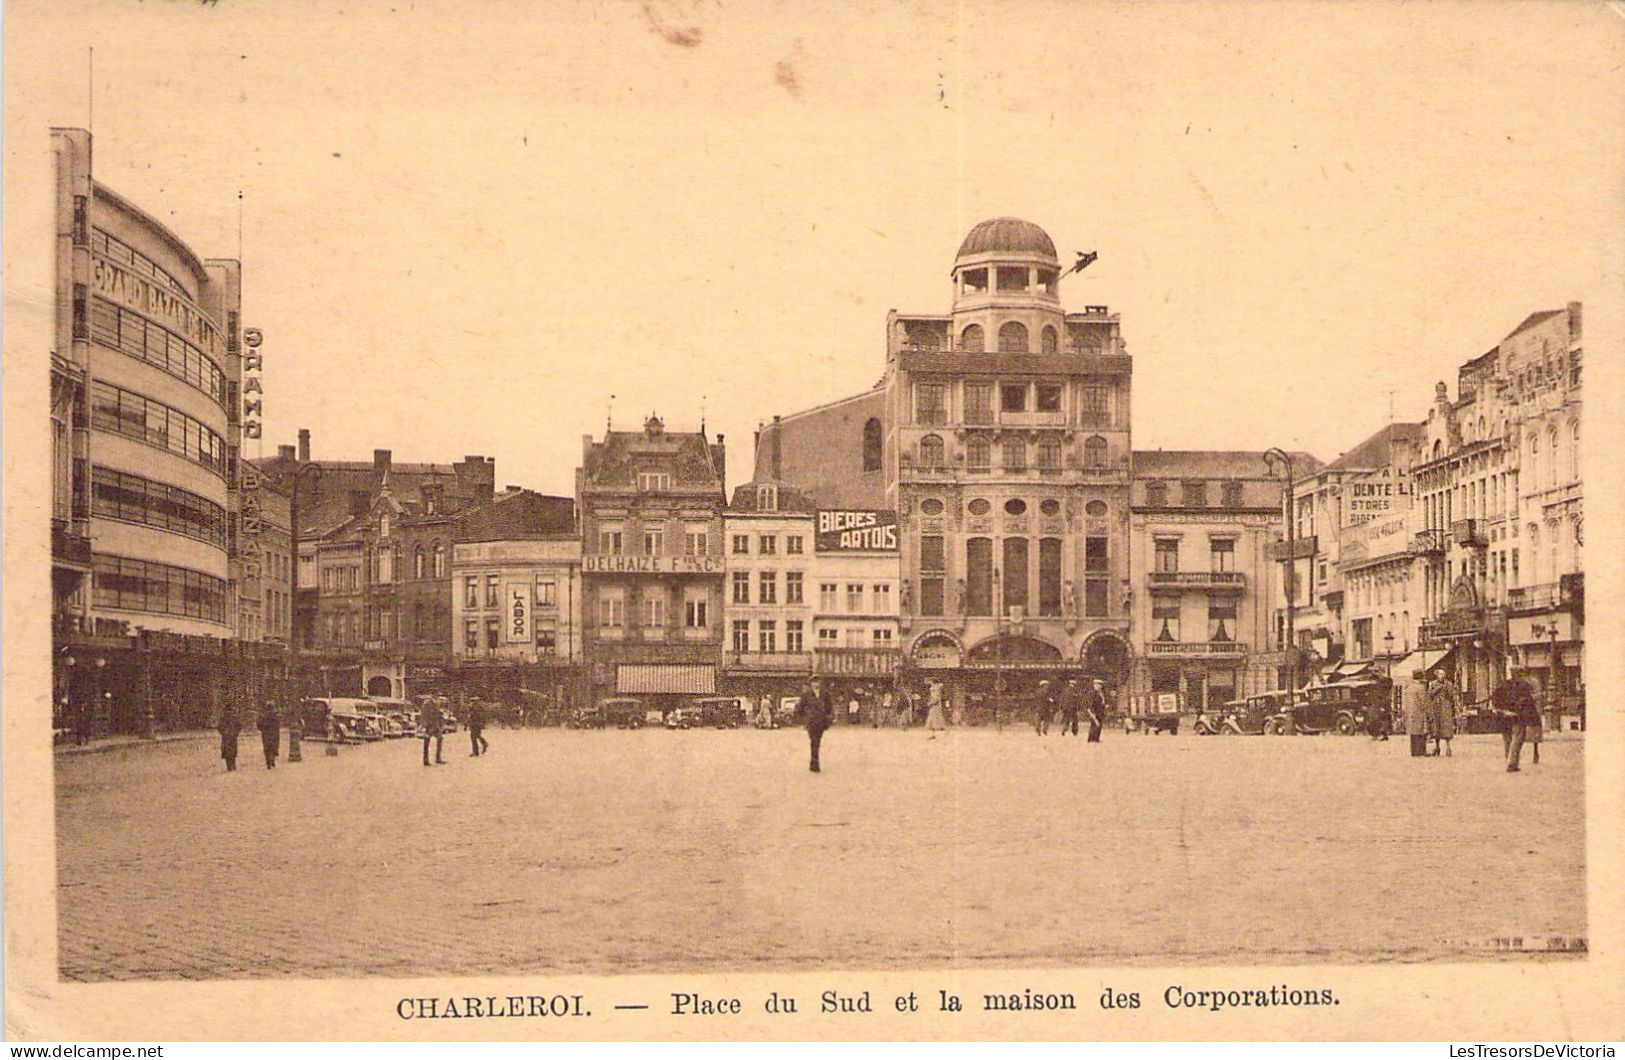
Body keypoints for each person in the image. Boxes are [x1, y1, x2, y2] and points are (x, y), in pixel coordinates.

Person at [1493, 673, 1542, 772]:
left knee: (1507, 739)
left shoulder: (1504, 684)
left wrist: (1500, 710)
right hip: (1517, 715)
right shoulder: (1524, 685)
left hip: (1504, 715)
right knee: (1517, 739)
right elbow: (1527, 701)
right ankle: (1512, 763)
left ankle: (1508, 759)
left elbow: (1495, 698)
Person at [804, 678, 833, 772]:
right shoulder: (806, 695)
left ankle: (814, 762)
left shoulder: (824, 694)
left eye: (817, 682)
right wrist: (806, 718)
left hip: (821, 722)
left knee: (817, 742)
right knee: (814, 741)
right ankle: (814, 763)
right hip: (811, 722)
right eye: (814, 682)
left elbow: (829, 707)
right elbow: (800, 707)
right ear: (811, 684)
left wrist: (827, 717)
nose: (816, 684)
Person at [1426, 674, 1459, 757]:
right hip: (1436, 707)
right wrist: (1438, 689)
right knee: (1436, 727)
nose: (1442, 676)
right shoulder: (1432, 684)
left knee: (1446, 727)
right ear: (1437, 676)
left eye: (1443, 675)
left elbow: (1452, 695)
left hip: (1445, 707)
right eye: (1440, 675)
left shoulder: (1449, 684)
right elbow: (1429, 695)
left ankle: (1448, 747)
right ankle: (1437, 746)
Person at [1400, 669, 1430, 757]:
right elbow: (1423, 701)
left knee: (1413, 733)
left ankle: (1414, 751)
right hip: (1419, 712)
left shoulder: (1409, 687)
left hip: (1410, 712)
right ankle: (1421, 751)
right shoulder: (1420, 688)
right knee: (1421, 731)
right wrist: (1428, 712)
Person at [421, 695, 446, 766]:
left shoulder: (435, 702)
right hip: (430, 725)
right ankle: (427, 760)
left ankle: (436, 758)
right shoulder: (428, 702)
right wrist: (425, 725)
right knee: (427, 742)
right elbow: (426, 714)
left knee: (439, 739)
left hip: (434, 725)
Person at [256, 700, 280, 770]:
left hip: (266, 733)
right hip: (274, 733)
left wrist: (263, 729)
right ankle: (272, 760)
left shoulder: (263, 716)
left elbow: (259, 724)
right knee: (273, 746)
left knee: (267, 747)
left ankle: (268, 762)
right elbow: (278, 724)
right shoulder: (275, 715)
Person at [217, 707, 242, 772]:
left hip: (227, 737)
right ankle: (232, 765)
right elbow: (239, 726)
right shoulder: (234, 718)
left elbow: (219, 727)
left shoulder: (223, 718)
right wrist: (236, 733)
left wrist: (223, 733)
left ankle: (229, 765)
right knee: (232, 751)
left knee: (228, 751)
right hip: (232, 736)